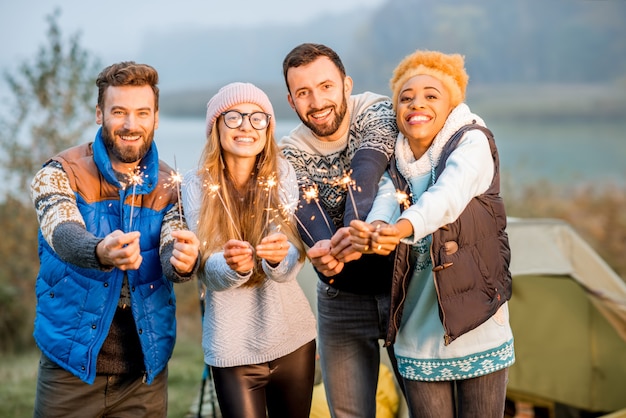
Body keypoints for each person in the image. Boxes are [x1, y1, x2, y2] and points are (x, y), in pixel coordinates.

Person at [349, 50, 515, 417]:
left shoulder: (472, 144)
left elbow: (448, 196)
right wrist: (374, 232)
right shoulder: (398, 159)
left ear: (451, 103)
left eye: (430, 95)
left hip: (477, 319)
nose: (416, 104)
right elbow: (387, 201)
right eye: (405, 98)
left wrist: (402, 229)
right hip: (415, 330)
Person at [29, 61, 200, 417]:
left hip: (144, 378)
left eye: (142, 113)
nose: (130, 124)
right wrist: (99, 251)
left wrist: (182, 262)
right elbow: (61, 232)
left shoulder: (171, 187)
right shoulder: (59, 172)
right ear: (99, 114)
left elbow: (172, 251)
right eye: (118, 111)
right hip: (69, 372)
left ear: (155, 118)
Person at [182, 82, 317, 418]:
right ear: (216, 126)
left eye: (258, 118)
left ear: (268, 128)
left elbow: (291, 261)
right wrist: (231, 266)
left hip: (292, 339)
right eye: (234, 117)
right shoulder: (196, 185)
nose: (246, 126)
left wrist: (277, 257)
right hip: (232, 347)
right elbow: (206, 271)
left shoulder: (282, 173)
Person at [280, 43, 401, 417]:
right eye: (303, 93)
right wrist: (324, 254)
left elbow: (367, 171)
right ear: (291, 101)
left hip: (405, 284)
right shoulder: (287, 152)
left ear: (346, 84)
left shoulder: (377, 109)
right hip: (342, 297)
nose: (317, 102)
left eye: (326, 86)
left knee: (425, 408)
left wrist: (351, 230)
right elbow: (309, 217)